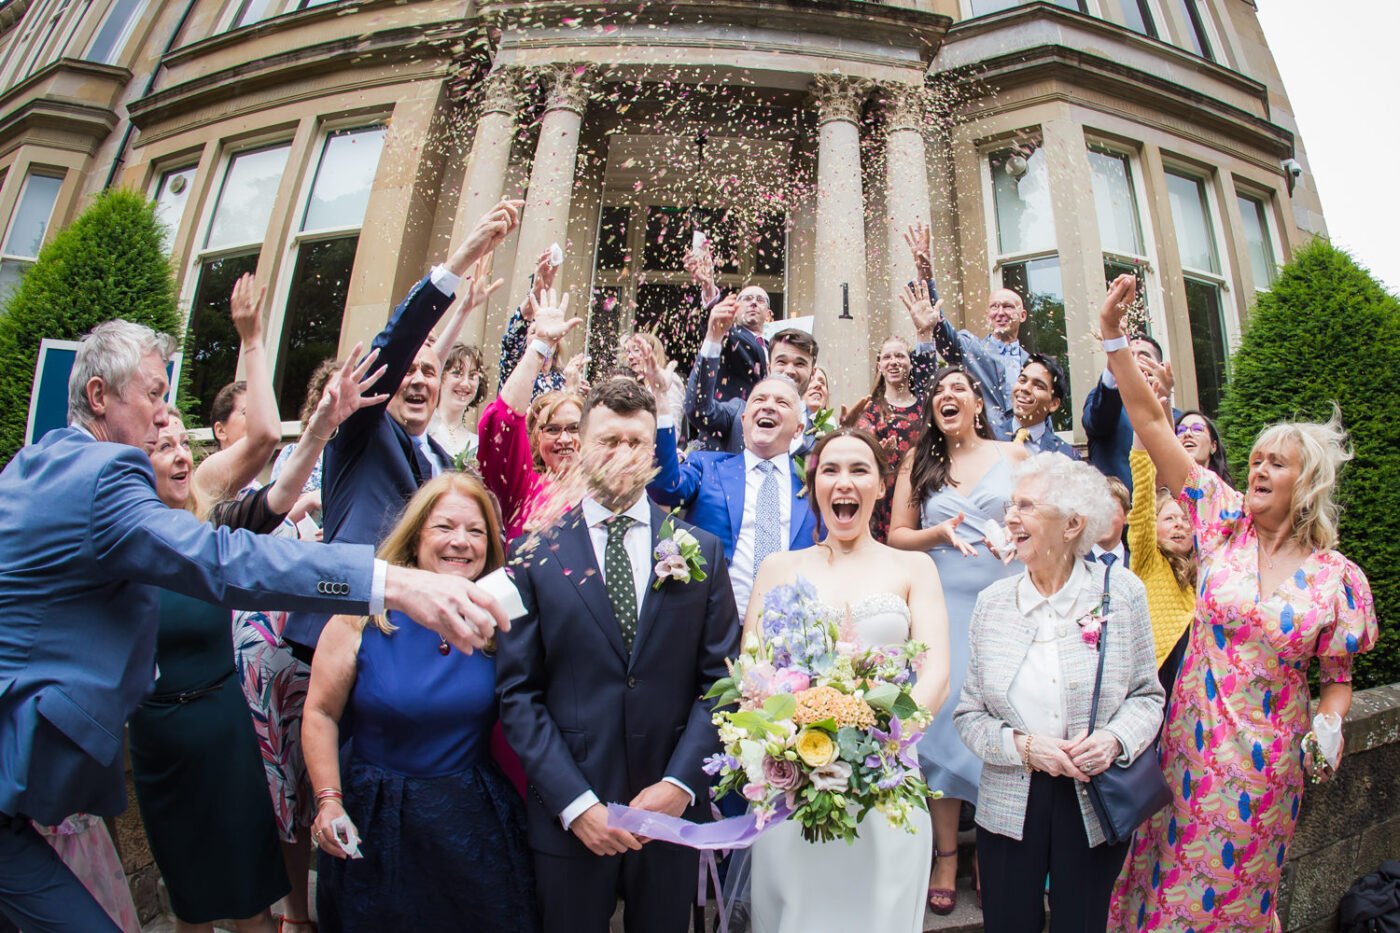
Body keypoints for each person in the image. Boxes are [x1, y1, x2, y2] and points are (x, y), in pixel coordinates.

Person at [0, 320, 506, 931]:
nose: (167, 416)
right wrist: (392, 581)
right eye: (156, 395)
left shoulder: (42, 460)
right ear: (101, 396)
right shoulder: (104, 478)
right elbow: (224, 560)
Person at [1097, 273, 1378, 932]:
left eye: (1274, 463)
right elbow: (1148, 422)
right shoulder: (1221, 520)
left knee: (1237, 900)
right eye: (1252, 458)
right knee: (1162, 888)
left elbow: (1337, 680)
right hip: (1189, 752)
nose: (1255, 468)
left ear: (1304, 482)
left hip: (1267, 771)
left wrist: (1331, 727)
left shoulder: (1337, 578)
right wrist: (1112, 336)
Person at [496, 377, 740, 933]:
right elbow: (518, 692)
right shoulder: (532, 553)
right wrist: (576, 804)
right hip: (571, 815)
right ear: (580, 446)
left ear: (656, 452)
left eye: (636, 442)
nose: (623, 454)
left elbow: (720, 683)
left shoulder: (699, 549)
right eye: (608, 440)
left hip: (670, 815)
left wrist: (681, 786)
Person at [283, 198, 523, 657]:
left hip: (402, 634)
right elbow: (396, 344)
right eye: (406, 373)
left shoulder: (433, 453)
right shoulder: (363, 432)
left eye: (429, 374)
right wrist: (460, 261)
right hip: (342, 628)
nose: (418, 380)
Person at [304, 473, 537, 932]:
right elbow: (320, 712)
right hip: (377, 816)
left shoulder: (500, 623)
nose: (461, 542)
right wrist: (328, 800)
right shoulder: (363, 616)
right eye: (445, 527)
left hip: (471, 821)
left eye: (476, 531)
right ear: (415, 537)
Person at [744, 428, 950, 933]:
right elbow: (751, 666)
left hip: (885, 780)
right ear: (813, 485)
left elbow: (937, 674)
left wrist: (879, 745)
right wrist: (788, 740)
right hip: (795, 783)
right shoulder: (777, 567)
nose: (844, 482)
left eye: (860, 470)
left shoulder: (914, 567)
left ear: (881, 486)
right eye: (830, 470)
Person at [955, 452, 1164, 933]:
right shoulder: (992, 605)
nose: (1010, 517)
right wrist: (1026, 748)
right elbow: (970, 715)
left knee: (1083, 923)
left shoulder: (1122, 592)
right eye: (1011, 504)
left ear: (1072, 524)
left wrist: (1113, 740)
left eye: (1026, 505)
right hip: (1010, 798)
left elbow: (1147, 697)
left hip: (1094, 796)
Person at [226, 353, 388, 933]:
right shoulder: (300, 473)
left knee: (337, 777)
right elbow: (264, 522)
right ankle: (296, 916)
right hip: (280, 644)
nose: (342, 408)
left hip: (346, 642)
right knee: (287, 789)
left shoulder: (375, 463)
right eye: (331, 400)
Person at [888, 364, 1028, 915]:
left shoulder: (1013, 456)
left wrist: (1020, 536)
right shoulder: (919, 462)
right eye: (939, 392)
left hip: (1006, 604)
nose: (948, 396)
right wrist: (937, 533)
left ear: (977, 402)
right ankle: (946, 854)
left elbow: (1044, 514)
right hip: (942, 603)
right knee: (943, 731)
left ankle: (990, 850)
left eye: (958, 389)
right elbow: (897, 537)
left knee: (1004, 718)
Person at [648, 374, 820, 619]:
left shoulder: (815, 484)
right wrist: (663, 408)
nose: (768, 405)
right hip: (713, 625)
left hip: (793, 629)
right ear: (744, 419)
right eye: (759, 399)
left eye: (782, 403)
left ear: (799, 429)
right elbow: (665, 487)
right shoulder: (706, 466)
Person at [901, 222, 1028, 438]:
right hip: (985, 447)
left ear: (1022, 315)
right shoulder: (971, 348)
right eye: (994, 307)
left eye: (1007, 306)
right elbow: (942, 333)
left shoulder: (1032, 363)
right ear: (988, 314)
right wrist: (927, 277)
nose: (1000, 312)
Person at [477, 288, 585, 540]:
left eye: (573, 428)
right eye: (552, 429)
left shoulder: (604, 493)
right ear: (535, 438)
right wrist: (541, 346)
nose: (565, 439)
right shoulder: (524, 489)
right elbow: (502, 423)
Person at [686, 293, 820, 455]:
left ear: (812, 373)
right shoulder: (738, 413)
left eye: (800, 364)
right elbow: (699, 410)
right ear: (769, 368)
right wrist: (713, 340)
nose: (789, 371)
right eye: (781, 362)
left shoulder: (822, 432)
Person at [194, 274, 282, 505]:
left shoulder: (255, 486)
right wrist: (252, 341)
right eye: (246, 412)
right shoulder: (207, 476)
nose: (258, 417)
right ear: (220, 431)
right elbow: (266, 435)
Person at [1126, 445, 1196, 696]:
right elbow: (1143, 500)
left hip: (1197, 681)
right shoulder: (1148, 559)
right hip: (1158, 675)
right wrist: (1143, 445)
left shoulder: (1206, 569)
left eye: (1185, 519)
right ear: (1153, 528)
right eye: (1169, 519)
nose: (1179, 525)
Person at [1080, 331, 1170, 491]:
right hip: (1115, 510)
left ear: (1160, 367)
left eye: (1143, 356)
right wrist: (1115, 364)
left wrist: (1164, 397)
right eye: (1128, 355)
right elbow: (1098, 422)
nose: (1133, 361)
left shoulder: (1174, 417)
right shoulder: (1103, 401)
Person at [685, 238, 769, 404]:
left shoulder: (772, 347)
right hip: (730, 423)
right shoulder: (730, 336)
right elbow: (717, 326)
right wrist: (709, 287)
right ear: (735, 310)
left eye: (760, 300)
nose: (753, 302)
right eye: (746, 299)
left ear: (769, 313)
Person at [856, 336, 923, 542]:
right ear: (879, 366)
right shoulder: (870, 409)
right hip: (884, 498)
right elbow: (860, 452)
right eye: (887, 357)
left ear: (910, 363)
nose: (893, 361)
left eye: (900, 356)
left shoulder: (926, 406)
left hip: (920, 490)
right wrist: (879, 454)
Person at [498, 249, 569, 400]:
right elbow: (515, 332)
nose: (541, 335)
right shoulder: (514, 369)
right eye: (534, 332)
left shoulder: (563, 380)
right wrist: (536, 293)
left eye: (547, 332)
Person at [269, 357, 342, 498]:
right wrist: (310, 501)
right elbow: (273, 516)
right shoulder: (291, 455)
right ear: (319, 399)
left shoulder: (367, 456)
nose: (342, 398)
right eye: (335, 390)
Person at [1009, 353, 1078, 458]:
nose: (1025, 388)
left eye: (1038, 386)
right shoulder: (985, 437)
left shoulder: (1066, 455)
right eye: (1022, 380)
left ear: (1053, 404)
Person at [429, 342, 487, 463]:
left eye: (472, 376)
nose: (465, 384)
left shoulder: (479, 444)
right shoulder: (425, 431)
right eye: (457, 374)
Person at [623, 331, 684, 424]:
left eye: (636, 350)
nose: (630, 357)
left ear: (652, 353)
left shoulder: (669, 380)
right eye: (628, 352)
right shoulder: (638, 385)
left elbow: (673, 428)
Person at [1175, 408, 1234, 488]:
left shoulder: (1227, 494)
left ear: (1213, 446)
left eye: (1197, 429)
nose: (1187, 433)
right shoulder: (1160, 488)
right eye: (1181, 430)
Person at [1088, 475, 1130, 567]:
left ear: (1126, 516)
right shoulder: (1074, 562)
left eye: (1111, 510)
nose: (1103, 517)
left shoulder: (1139, 563)